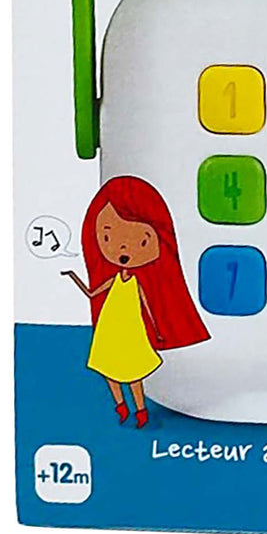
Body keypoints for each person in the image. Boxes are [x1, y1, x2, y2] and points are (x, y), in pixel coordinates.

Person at [63, 175, 209, 428]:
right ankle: (121, 405)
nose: (122, 250)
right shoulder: (113, 279)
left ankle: (140, 410)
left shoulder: (138, 282)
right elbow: (92, 293)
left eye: (141, 241)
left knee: (132, 373)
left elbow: (148, 306)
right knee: (108, 369)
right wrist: (74, 277)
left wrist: (158, 331)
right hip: (110, 328)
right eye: (107, 238)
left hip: (131, 330)